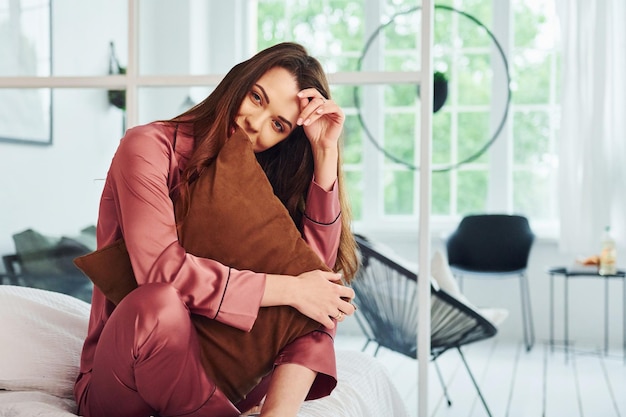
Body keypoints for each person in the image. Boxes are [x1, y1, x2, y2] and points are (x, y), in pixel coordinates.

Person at [74, 42, 359, 417]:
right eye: (256, 97)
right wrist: (290, 289)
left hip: (220, 377)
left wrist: (325, 155)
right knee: (158, 304)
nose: (254, 123)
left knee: (322, 299)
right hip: (125, 376)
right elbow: (161, 272)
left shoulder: (258, 179)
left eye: (278, 125)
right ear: (238, 82)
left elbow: (312, 275)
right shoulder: (148, 146)